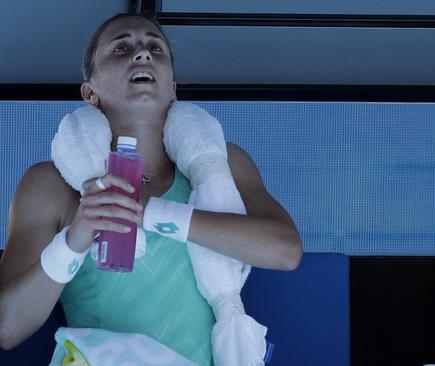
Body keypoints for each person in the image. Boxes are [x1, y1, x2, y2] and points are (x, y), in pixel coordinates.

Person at [0, 13, 302, 365]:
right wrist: (73, 241)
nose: (142, 54)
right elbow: (7, 327)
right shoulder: (49, 184)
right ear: (90, 91)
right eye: (121, 48)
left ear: (173, 87)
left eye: (155, 47)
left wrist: (149, 211)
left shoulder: (225, 162)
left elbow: (285, 251)